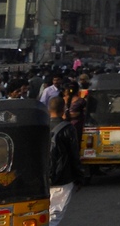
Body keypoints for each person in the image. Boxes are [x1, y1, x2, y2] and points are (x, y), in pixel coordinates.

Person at [48, 95, 83, 225]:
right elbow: (74, 155)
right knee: (55, 214)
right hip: (63, 177)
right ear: (64, 109)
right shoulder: (67, 128)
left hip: (42, 178)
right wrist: (79, 177)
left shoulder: (41, 127)